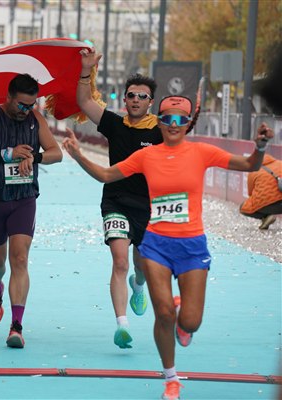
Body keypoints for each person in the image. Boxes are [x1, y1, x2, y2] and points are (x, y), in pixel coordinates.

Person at [62, 95, 274, 400]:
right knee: (162, 314)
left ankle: (182, 317)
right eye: (167, 119)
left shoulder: (201, 152)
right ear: (159, 123)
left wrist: (261, 147)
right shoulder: (146, 156)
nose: (174, 125)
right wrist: (79, 155)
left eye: (180, 120)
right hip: (156, 245)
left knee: (190, 322)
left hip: (192, 246)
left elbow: (249, 164)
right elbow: (107, 175)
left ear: (187, 124)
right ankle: (171, 379)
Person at [0, 73, 63, 348]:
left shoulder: (35, 119)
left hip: (24, 197)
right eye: (21, 105)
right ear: (8, 97)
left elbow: (56, 153)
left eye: (31, 105)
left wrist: (35, 156)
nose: (26, 110)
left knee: (20, 259)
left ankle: (16, 326)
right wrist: (6, 154)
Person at [76, 47, 163, 349]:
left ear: (151, 102)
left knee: (141, 266)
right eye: (131, 95)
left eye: (142, 96)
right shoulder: (114, 124)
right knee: (120, 261)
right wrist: (86, 70)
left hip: (149, 207)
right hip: (115, 202)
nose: (136, 100)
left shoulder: (161, 131)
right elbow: (85, 101)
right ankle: (121, 324)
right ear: (124, 99)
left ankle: (138, 286)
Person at [239, 154, 282, 229]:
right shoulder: (280, 163)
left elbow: (250, 193)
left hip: (268, 206)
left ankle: (266, 217)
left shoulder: (253, 171)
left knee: (243, 208)